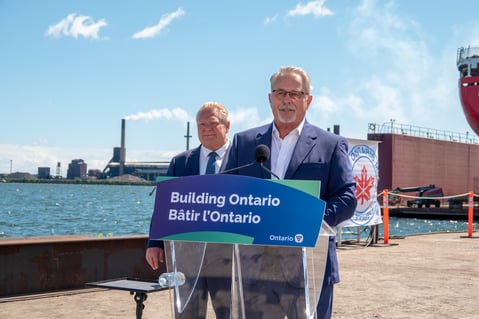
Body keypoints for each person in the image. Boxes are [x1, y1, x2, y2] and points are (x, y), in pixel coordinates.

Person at [222, 66, 357, 319]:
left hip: (310, 268)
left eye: (294, 94)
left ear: (308, 99)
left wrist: (305, 221)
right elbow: (226, 194)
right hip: (254, 267)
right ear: (270, 98)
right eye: (280, 93)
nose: (286, 100)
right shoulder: (244, 143)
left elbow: (347, 199)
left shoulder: (330, 145)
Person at [146, 101, 232, 319]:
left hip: (230, 257)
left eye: (212, 124)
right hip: (187, 256)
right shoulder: (181, 162)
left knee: (231, 314)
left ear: (227, 125)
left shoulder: (244, 160)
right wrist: (155, 243)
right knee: (187, 314)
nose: (206, 129)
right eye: (201, 125)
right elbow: (164, 207)